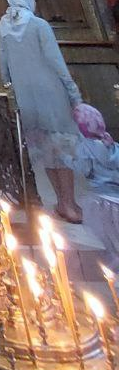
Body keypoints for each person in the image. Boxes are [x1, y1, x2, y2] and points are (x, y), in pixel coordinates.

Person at [0, 0, 83, 222]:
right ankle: (69, 202)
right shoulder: (39, 25)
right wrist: (73, 93)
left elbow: (3, 67)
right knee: (61, 149)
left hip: (25, 97)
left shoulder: (4, 28)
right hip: (51, 94)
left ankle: (61, 201)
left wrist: (10, 90)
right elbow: (56, 62)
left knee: (45, 148)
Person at [70, 104, 119, 267]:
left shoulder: (84, 147)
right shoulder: (112, 145)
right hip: (116, 197)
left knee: (108, 239)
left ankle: (114, 270)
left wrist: (66, 160)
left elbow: (84, 169)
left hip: (101, 201)